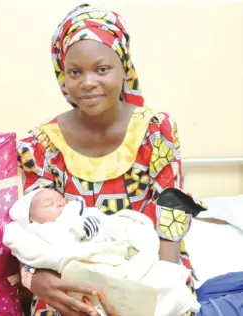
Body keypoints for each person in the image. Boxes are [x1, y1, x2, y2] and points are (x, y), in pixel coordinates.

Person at [16, 4, 206, 316]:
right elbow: (29, 226)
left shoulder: (156, 130)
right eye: (75, 72)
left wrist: (156, 288)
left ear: (124, 68)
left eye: (102, 69)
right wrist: (37, 280)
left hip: (152, 264)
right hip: (72, 271)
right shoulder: (39, 145)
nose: (87, 82)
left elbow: (171, 213)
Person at [3, 189, 202, 316]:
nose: (60, 204)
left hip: (136, 256)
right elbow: (26, 248)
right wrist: (32, 278)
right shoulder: (41, 146)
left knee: (165, 288)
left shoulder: (157, 130)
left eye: (61, 200)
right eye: (49, 204)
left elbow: (163, 234)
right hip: (65, 282)